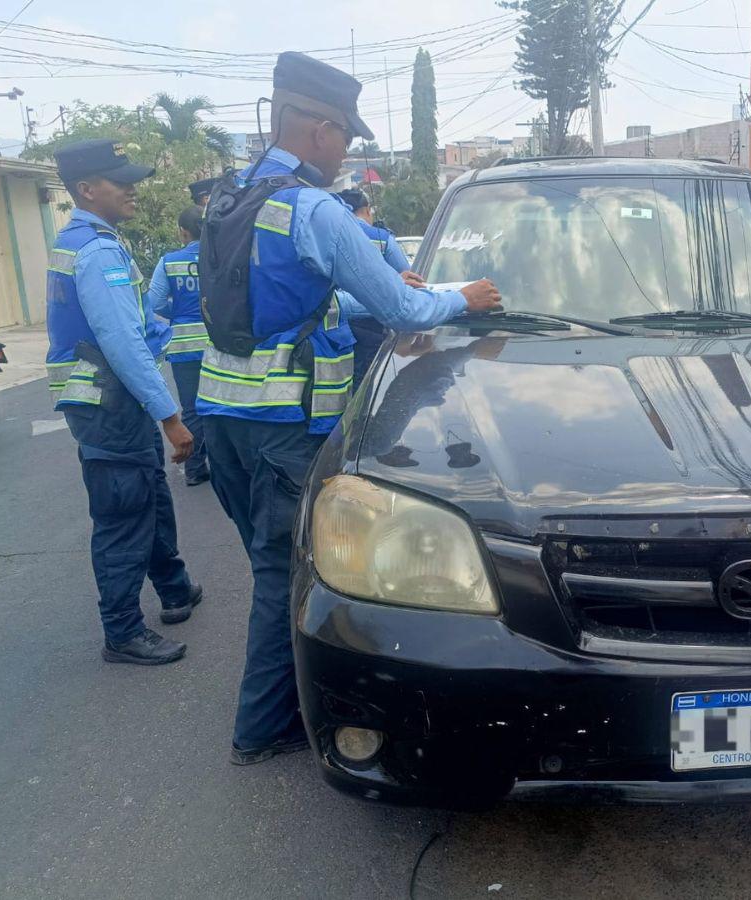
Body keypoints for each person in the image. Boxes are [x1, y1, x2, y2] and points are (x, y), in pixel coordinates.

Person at [196, 51, 501, 765]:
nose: (346, 154)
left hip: (224, 417)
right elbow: (400, 307)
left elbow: (303, 299)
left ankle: (270, 703)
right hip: (280, 428)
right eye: (347, 139)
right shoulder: (314, 210)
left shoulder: (235, 196)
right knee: (285, 575)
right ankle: (262, 726)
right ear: (322, 131)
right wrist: (465, 299)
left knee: (270, 565)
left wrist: (391, 284)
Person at [44, 138, 203, 666]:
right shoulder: (98, 250)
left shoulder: (87, 241)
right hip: (108, 402)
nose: (132, 188)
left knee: (149, 495)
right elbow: (122, 341)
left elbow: (136, 323)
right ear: (87, 190)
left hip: (106, 400)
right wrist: (171, 417)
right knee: (123, 514)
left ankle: (175, 589)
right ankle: (122, 632)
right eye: (120, 181)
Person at [146, 206, 210, 485]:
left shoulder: (169, 262)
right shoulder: (218, 258)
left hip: (184, 346)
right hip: (218, 342)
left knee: (192, 407)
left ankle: (196, 469)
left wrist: (180, 315)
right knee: (222, 403)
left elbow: (155, 302)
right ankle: (226, 463)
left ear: (183, 232)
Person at [334, 187, 422, 383]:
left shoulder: (330, 235)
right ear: (366, 210)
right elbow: (410, 284)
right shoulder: (382, 238)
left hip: (336, 329)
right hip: (374, 331)